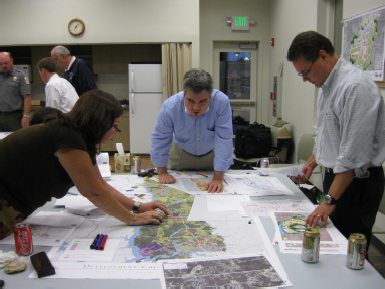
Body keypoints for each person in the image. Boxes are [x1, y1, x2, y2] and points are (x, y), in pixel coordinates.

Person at [0, 89, 168, 240]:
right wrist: (133, 218)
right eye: (115, 126)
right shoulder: (66, 135)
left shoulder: (80, 138)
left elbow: (99, 184)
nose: (116, 133)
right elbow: (93, 192)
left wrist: (138, 207)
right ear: (100, 122)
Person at [287, 31, 385, 248]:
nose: (304, 79)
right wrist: (314, 160)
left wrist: (329, 201)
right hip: (338, 180)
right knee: (330, 245)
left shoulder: (355, 87)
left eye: (305, 72)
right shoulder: (326, 85)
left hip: (357, 184)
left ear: (322, 56)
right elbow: (328, 132)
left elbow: (352, 156)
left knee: (347, 250)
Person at [151, 68, 233, 193]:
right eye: (190, 100)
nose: (196, 107)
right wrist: (162, 172)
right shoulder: (170, 106)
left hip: (212, 155)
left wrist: (217, 178)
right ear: (184, 94)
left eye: (202, 101)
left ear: (210, 96)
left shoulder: (221, 103)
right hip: (181, 153)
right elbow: (160, 137)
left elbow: (224, 138)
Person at [0, 51, 31, 131]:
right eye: (1, 63)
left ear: (12, 61)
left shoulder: (20, 76)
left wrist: (26, 116)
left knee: (14, 141)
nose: (4, 66)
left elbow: (27, 97)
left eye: (6, 63)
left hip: (14, 117)